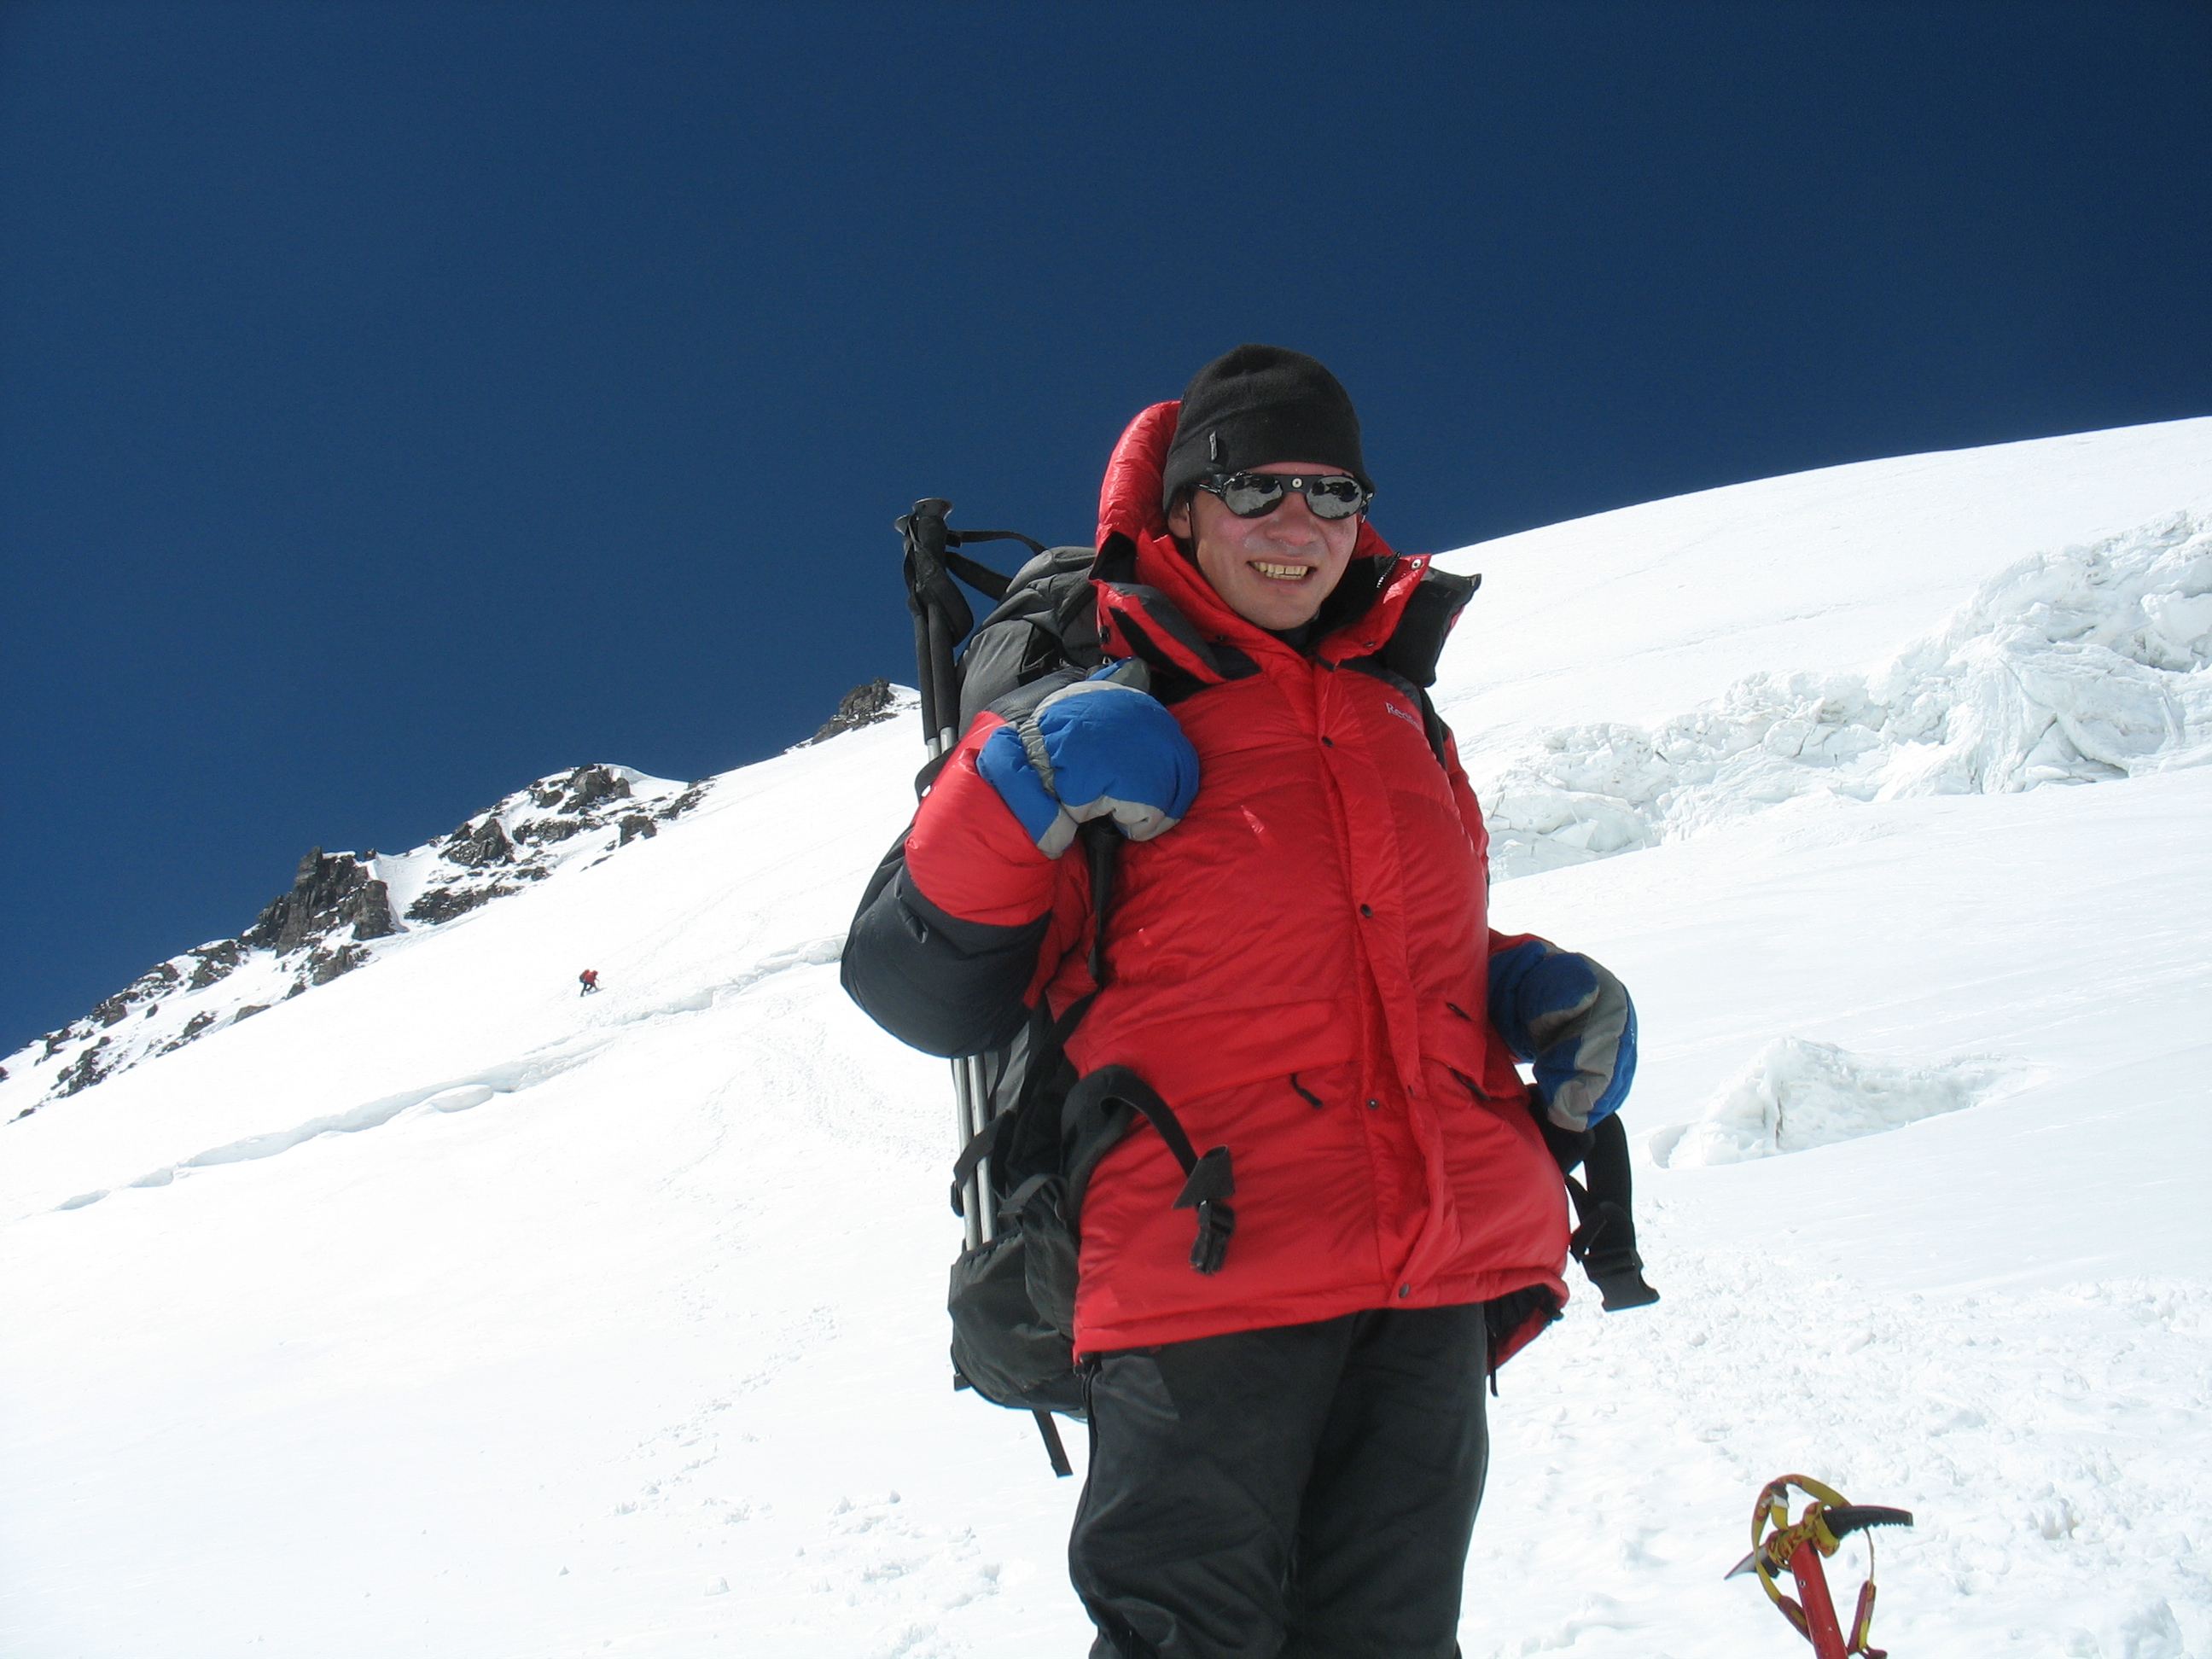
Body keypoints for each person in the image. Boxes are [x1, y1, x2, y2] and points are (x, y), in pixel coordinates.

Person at [842, 345, 1636, 1658]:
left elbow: (1375, 940)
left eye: (1334, 492)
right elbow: (905, 980)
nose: (1299, 524)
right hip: (1203, 1272)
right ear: (1185, 510)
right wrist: (1021, 783)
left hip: (1426, 1277)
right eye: (1258, 487)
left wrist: (1516, 985)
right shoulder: (1099, 684)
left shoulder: (1396, 707)